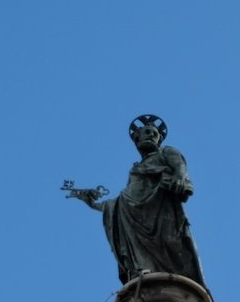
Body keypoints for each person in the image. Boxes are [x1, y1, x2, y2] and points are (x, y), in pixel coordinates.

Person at [72, 114, 206, 288]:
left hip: (161, 210)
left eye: (154, 133)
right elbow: (124, 199)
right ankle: (143, 269)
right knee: (138, 248)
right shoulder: (136, 168)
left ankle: (180, 283)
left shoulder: (166, 152)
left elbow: (180, 168)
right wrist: (92, 203)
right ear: (137, 138)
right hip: (131, 216)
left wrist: (179, 179)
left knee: (173, 244)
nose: (150, 135)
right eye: (146, 132)